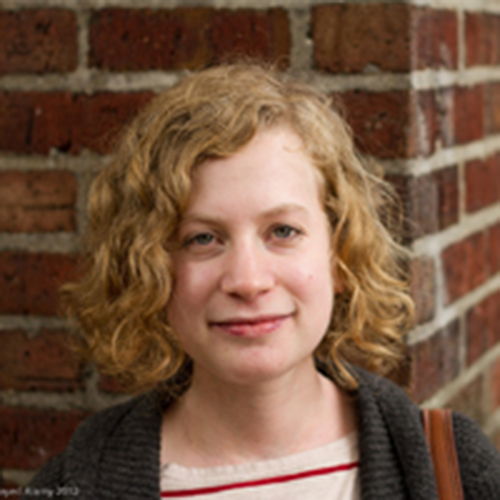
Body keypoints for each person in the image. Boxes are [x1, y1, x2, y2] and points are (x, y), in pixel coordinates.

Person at [22, 63, 500, 499]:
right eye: (203, 238)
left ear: (340, 254)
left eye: (283, 231)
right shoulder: (72, 487)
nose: (248, 281)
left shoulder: (455, 472)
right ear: (150, 268)